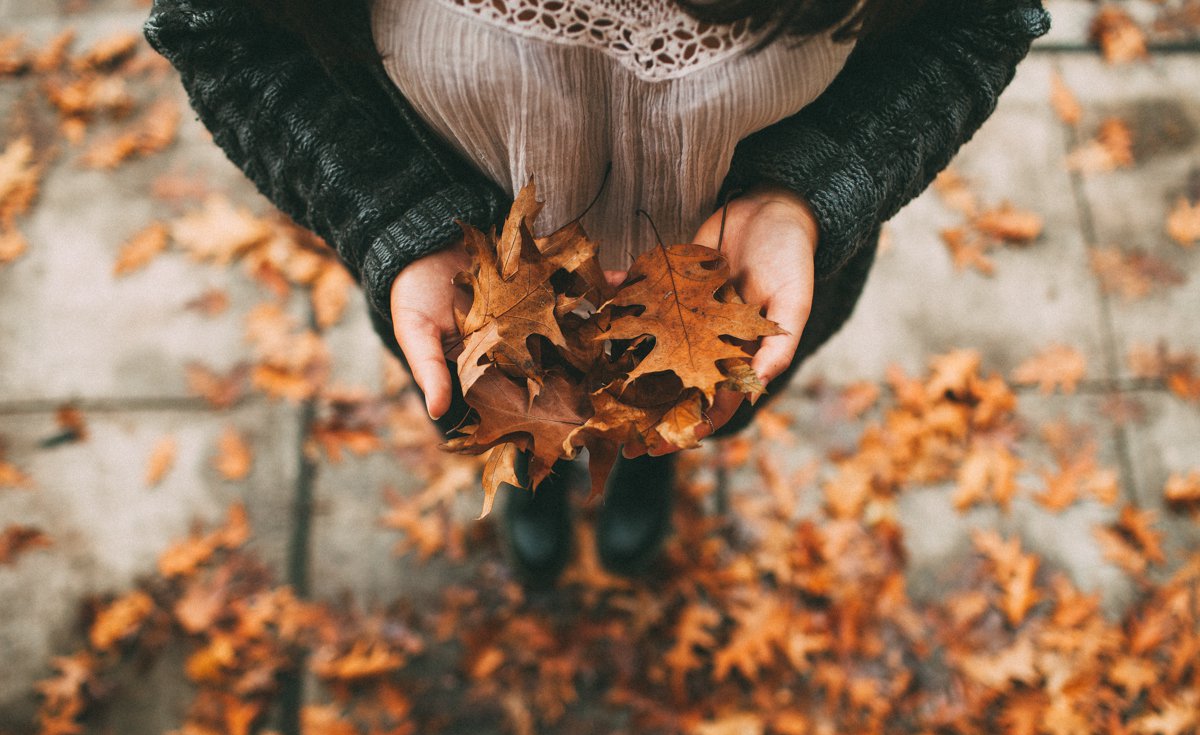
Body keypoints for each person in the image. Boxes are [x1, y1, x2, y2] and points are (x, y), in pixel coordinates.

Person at [143, 0, 1051, 588]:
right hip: (477, 301)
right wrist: (391, 219)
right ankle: (536, 478)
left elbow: (979, 20)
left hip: (719, 296)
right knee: (513, 410)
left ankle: (650, 468)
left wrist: (807, 193)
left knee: (686, 407)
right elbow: (221, 28)